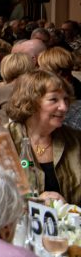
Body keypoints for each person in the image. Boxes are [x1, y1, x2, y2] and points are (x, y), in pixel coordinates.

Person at [6, 69, 81, 204]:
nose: (64, 107)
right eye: (53, 99)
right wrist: (33, 201)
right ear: (30, 102)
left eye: (65, 99)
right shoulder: (4, 140)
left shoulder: (76, 139)